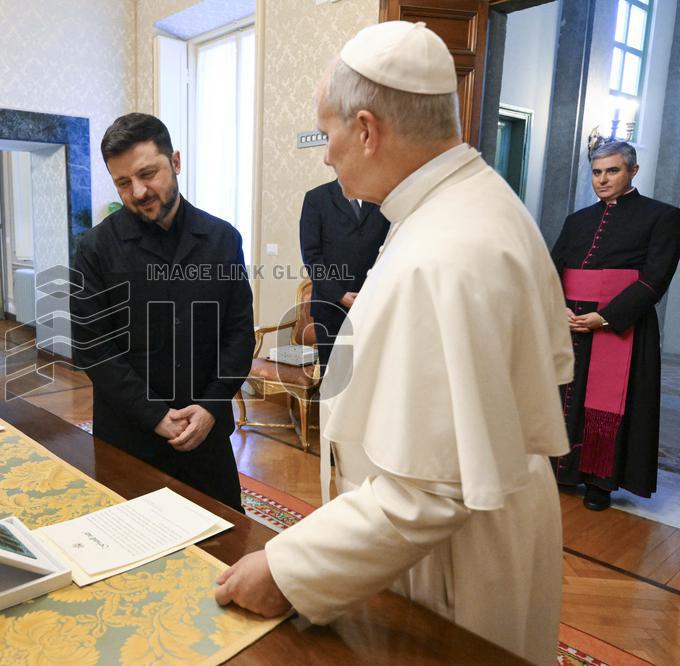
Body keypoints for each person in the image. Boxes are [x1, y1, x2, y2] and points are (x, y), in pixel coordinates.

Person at [214, 21, 573, 664]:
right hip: (461, 537)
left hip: (456, 563)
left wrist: (288, 570)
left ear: (367, 129)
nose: (326, 155)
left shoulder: (446, 249)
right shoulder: (466, 206)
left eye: (328, 135)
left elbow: (430, 491)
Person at [70, 112, 255, 512]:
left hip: (207, 437)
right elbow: (92, 347)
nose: (138, 191)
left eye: (147, 173)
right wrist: (154, 415)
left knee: (224, 548)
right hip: (128, 436)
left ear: (175, 161)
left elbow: (239, 334)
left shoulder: (223, 240)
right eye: (123, 182)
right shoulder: (95, 249)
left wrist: (210, 406)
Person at [550, 141, 680, 511]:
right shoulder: (577, 220)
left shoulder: (663, 216)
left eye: (612, 171)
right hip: (571, 321)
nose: (602, 180)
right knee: (564, 397)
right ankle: (563, 469)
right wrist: (558, 307)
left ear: (633, 172)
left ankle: (598, 481)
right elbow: (551, 269)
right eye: (596, 172)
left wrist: (605, 316)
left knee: (609, 403)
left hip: (621, 326)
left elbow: (655, 279)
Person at [299, 179, 388, 371]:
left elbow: (390, 247)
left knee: (368, 374)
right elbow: (311, 256)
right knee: (333, 377)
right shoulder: (317, 198)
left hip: (373, 304)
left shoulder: (380, 195)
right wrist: (339, 294)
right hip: (330, 308)